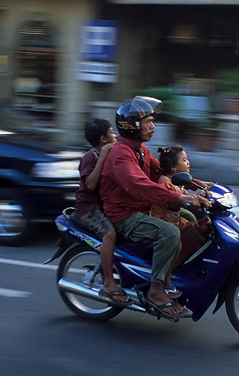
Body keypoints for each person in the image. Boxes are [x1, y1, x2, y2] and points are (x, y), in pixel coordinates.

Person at [100, 97, 209, 317]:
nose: (153, 126)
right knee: (169, 232)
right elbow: (141, 187)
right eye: (147, 121)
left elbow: (163, 171)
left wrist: (196, 184)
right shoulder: (121, 155)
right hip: (124, 215)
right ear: (132, 125)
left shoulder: (140, 150)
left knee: (190, 216)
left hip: (141, 209)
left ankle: (169, 270)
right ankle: (156, 291)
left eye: (152, 121)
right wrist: (181, 198)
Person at [73, 118, 129, 303]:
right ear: (103, 139)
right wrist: (103, 156)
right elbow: (90, 184)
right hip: (88, 208)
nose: (116, 135)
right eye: (112, 132)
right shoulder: (90, 157)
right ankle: (108, 282)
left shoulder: (114, 151)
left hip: (107, 204)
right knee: (110, 234)